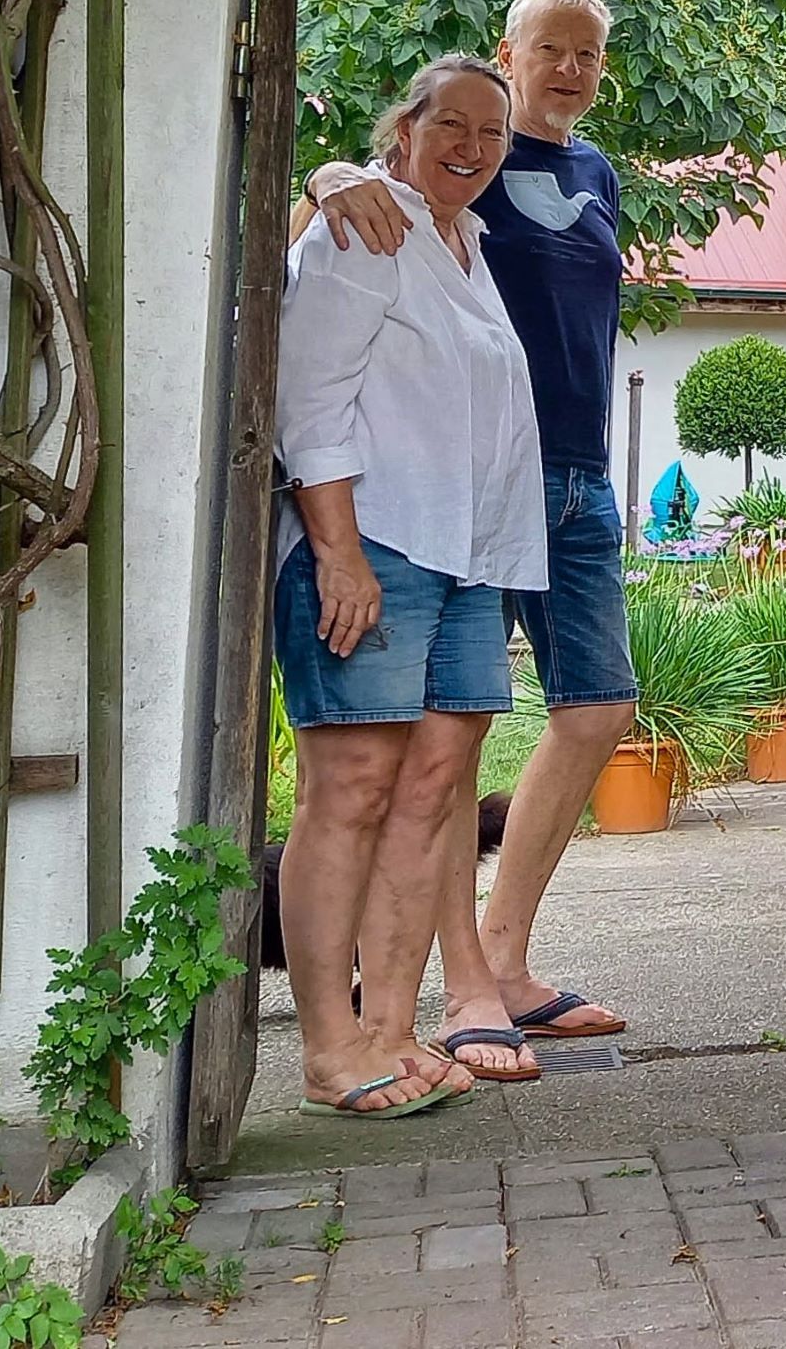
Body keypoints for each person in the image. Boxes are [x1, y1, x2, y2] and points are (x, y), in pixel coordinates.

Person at [307, 0, 634, 1043]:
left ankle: (506, 952)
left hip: (580, 470)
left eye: (588, 52)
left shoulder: (595, 174)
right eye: (553, 48)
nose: (572, 68)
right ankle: (466, 989)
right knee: (451, 733)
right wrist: (328, 171)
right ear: (511, 49)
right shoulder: (467, 155)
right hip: (480, 480)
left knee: (597, 707)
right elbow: (365, 199)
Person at [274, 54, 549, 1113]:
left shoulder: (468, 244)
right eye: (453, 123)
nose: (473, 146)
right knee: (348, 788)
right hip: (375, 540)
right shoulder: (368, 221)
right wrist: (336, 548)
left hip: (469, 554)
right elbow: (312, 397)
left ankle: (392, 1029)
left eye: (492, 130)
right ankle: (330, 1048)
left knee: (434, 789)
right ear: (406, 128)